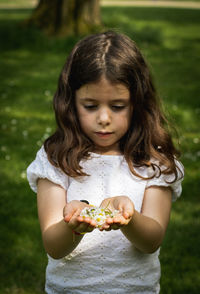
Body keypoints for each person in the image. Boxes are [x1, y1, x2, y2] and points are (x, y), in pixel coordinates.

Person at [27, 31, 184, 294]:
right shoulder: (56, 159)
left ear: (138, 103)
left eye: (118, 106)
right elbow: (53, 247)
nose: (103, 118)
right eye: (90, 106)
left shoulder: (153, 162)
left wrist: (130, 218)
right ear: (70, 103)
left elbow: (152, 241)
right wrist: (73, 227)